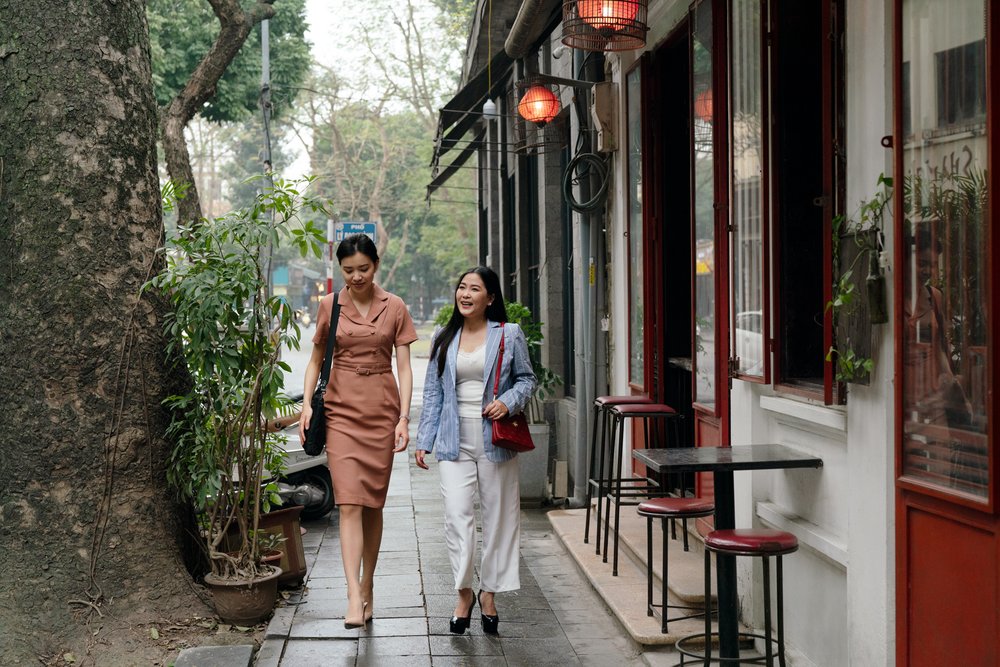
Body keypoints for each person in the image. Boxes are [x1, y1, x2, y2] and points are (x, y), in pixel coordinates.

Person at [299, 234, 417, 628]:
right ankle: (352, 593)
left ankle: (368, 585)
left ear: (376, 265)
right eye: (348, 271)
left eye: (363, 269)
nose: (356, 277)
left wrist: (403, 417)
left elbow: (404, 366)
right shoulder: (330, 306)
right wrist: (305, 405)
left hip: (381, 410)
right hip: (341, 411)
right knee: (348, 503)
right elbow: (316, 358)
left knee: (373, 505)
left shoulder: (395, 306)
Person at [414, 267, 536, 635]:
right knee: (456, 517)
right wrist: (424, 440)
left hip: (494, 440)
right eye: (462, 287)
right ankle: (463, 592)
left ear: (491, 298)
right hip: (454, 441)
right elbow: (434, 393)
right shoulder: (443, 336)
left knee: (500, 519)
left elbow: (527, 379)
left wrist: (508, 402)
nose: (465, 294)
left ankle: (490, 593)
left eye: (475, 289)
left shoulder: (508, 334)